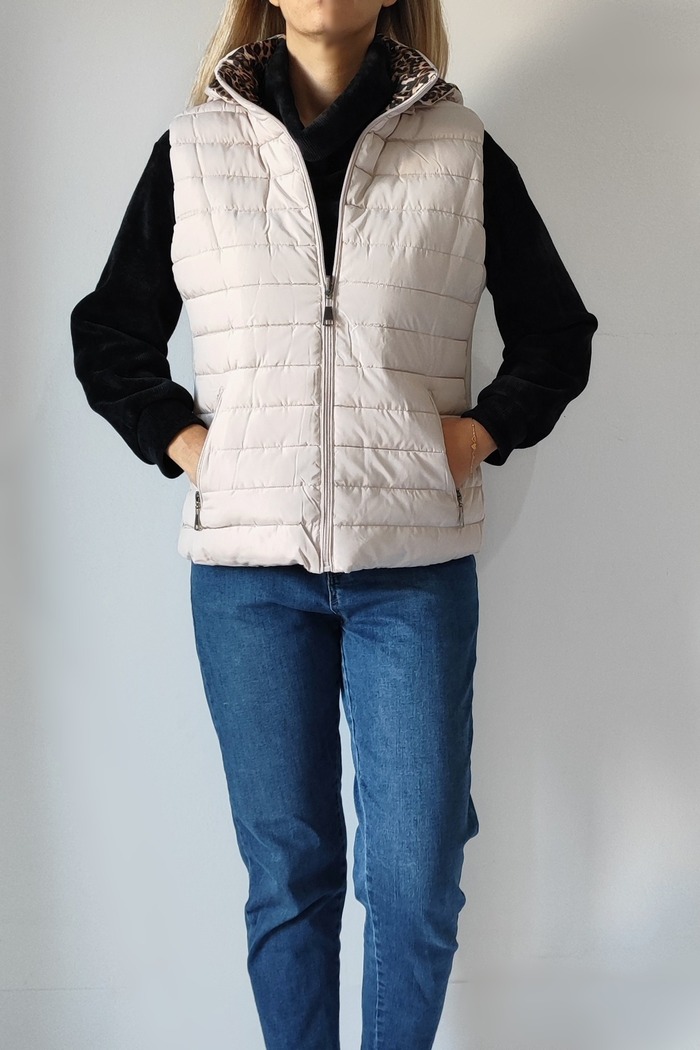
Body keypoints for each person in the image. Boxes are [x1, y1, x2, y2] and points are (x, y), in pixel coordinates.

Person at [70, 2, 598, 1047]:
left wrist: (470, 439)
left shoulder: (459, 147)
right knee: (289, 874)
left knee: (415, 878)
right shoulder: (193, 150)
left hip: (412, 569)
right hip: (247, 579)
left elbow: (556, 334)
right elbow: (110, 333)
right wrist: (196, 448)